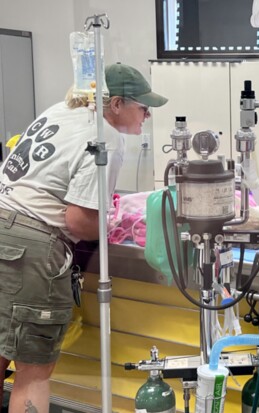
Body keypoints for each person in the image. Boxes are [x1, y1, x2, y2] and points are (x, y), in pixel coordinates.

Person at [0, 62, 167, 411]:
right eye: (143, 107)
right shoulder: (105, 138)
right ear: (116, 104)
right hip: (29, 247)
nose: (146, 116)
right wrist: (111, 219)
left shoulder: (60, 110)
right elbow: (79, 222)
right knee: (34, 369)